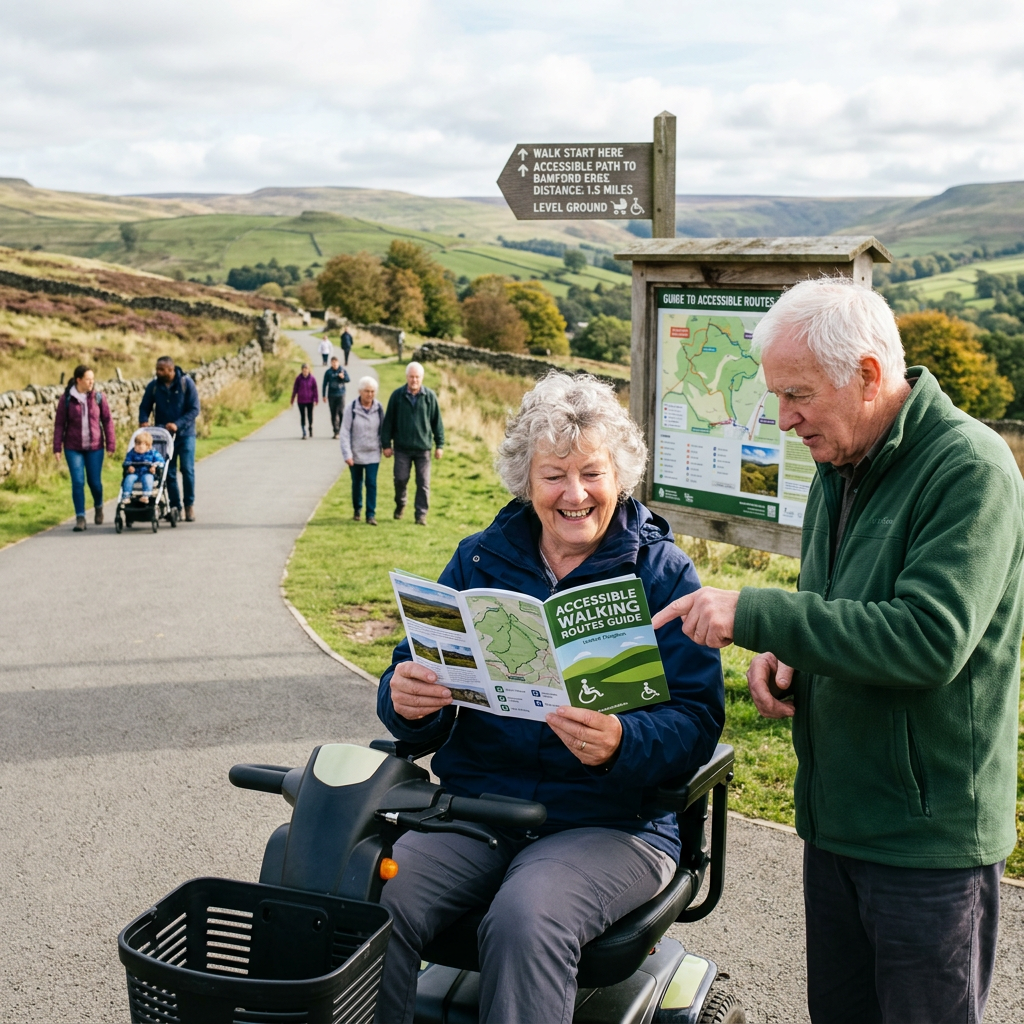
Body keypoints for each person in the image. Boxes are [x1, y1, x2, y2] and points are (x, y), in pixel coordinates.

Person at [652, 278, 1024, 1024]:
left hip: (926, 845)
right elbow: (835, 608)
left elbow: (928, 639)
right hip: (835, 823)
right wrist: (786, 654)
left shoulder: (970, 470)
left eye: (799, 395)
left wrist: (757, 614)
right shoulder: (838, 460)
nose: (785, 420)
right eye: (777, 397)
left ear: (869, 374)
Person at [374, 371, 724, 1024]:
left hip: (613, 822)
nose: (574, 494)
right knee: (380, 897)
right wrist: (408, 700)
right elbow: (411, 682)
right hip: (481, 807)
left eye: (591, 473)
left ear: (619, 476)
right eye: (554, 474)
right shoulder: (479, 560)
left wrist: (624, 742)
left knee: (526, 917)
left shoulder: (662, 573)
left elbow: (697, 720)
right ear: (525, 478)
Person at [53, 363, 115, 531]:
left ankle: (98, 506)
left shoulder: (98, 397)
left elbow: (107, 420)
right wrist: (57, 447)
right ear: (78, 380)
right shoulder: (66, 399)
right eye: (88, 379)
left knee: (94, 482)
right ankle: (80, 517)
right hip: (73, 447)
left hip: (95, 447)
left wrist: (110, 443)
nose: (91, 383)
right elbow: (59, 424)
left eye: (93, 379)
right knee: (78, 482)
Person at [381, 361, 444, 525]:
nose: (414, 380)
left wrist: (440, 445)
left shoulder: (429, 397)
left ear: (422, 378)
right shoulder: (397, 396)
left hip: (423, 450)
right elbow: (388, 422)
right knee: (400, 479)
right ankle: (400, 504)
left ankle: (420, 515)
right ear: (407, 377)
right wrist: (386, 444)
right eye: (411, 377)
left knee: (423, 483)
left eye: (417, 377)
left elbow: (437, 423)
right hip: (402, 448)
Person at [139, 356, 200, 521]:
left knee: (187, 470)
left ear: (171, 370)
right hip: (163, 437)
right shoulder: (153, 386)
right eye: (157, 368)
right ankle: (175, 507)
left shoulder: (186, 383)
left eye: (161, 369)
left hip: (185, 435)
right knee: (168, 472)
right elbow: (145, 406)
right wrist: (143, 420)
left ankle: (189, 506)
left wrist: (177, 424)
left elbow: (194, 409)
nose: (157, 372)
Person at [340, 376, 383, 525]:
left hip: (373, 454)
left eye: (372, 391)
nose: (370, 394)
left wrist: (387, 447)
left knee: (371, 483)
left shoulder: (379, 409)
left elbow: (384, 430)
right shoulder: (351, 409)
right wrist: (347, 454)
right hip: (356, 454)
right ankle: (357, 509)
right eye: (366, 391)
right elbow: (344, 432)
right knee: (357, 483)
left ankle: (370, 514)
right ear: (360, 391)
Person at [120, 431, 164, 504]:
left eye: (143, 444)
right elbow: (126, 461)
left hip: (147, 472)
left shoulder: (152, 453)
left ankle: (146, 496)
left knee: (148, 479)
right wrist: (129, 466)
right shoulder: (132, 453)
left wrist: (154, 466)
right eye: (138, 444)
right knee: (129, 479)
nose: (140, 446)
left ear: (148, 446)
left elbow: (161, 461)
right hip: (135, 472)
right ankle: (126, 496)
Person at [323, 356, 350, 439]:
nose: (334, 364)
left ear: (338, 363)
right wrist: (324, 395)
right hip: (331, 395)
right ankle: (336, 431)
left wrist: (343, 377)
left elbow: (348, 379)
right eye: (333, 362)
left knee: (341, 413)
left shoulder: (342, 370)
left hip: (341, 394)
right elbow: (324, 384)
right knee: (333, 413)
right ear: (331, 363)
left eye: (336, 362)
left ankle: (342, 430)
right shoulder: (328, 372)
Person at [291, 363, 319, 438]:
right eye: (304, 370)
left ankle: (310, 427)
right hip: (301, 400)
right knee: (303, 416)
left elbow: (315, 389)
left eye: (306, 370)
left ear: (309, 370)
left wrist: (316, 399)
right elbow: (295, 389)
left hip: (310, 400)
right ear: (302, 370)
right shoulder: (298, 378)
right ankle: (304, 432)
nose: (305, 372)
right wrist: (292, 399)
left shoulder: (312, 378)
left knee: (310, 415)